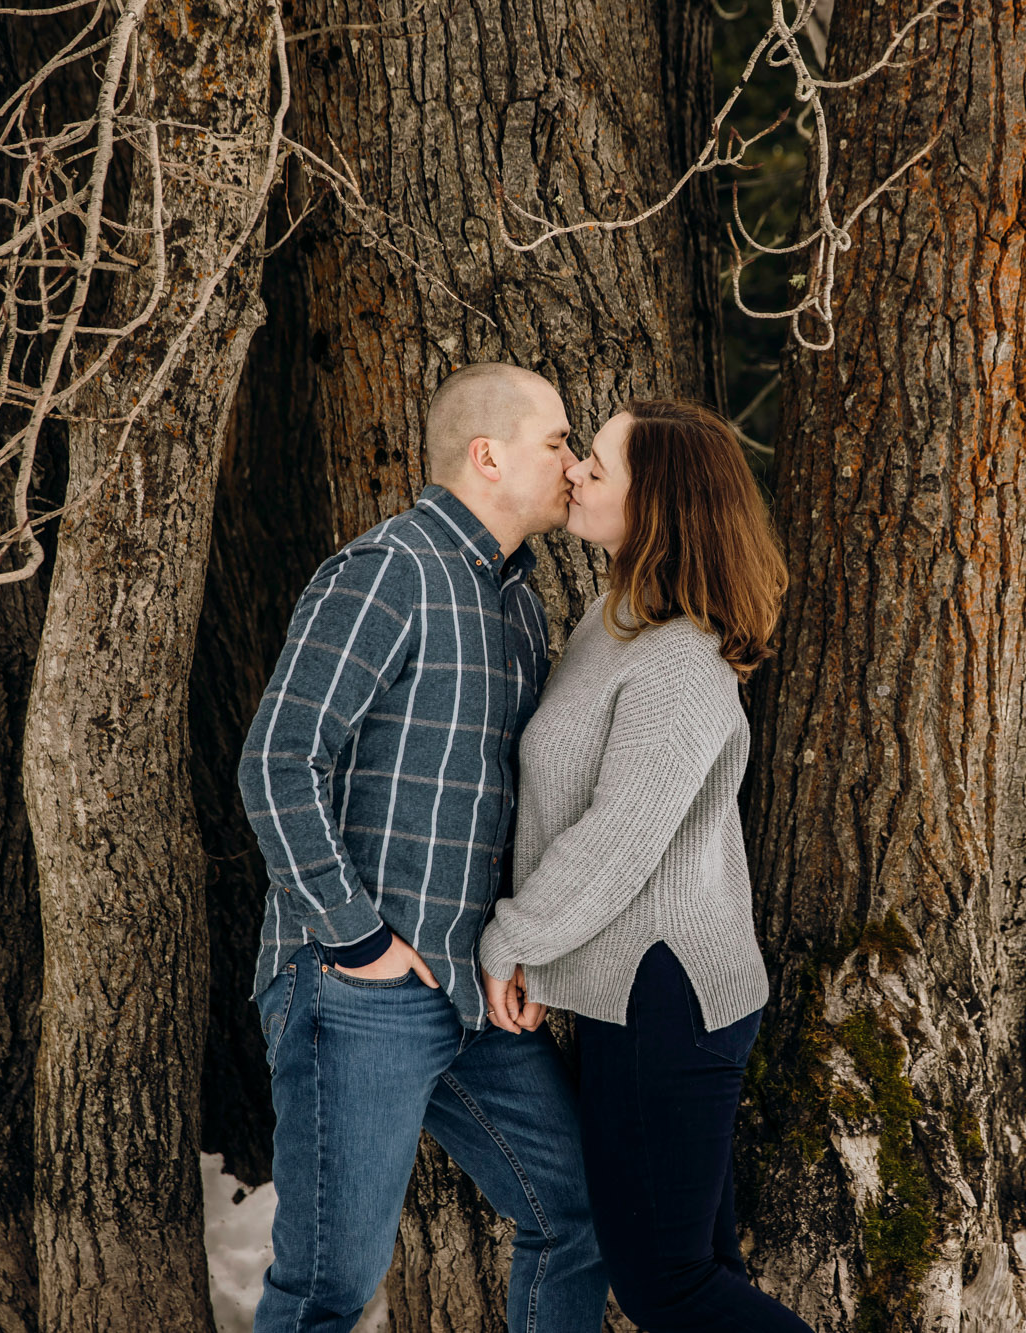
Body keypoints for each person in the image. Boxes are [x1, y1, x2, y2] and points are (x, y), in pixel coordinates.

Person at [239, 364, 605, 1333]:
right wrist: (358, 942)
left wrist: (507, 946)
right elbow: (278, 761)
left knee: (575, 1214)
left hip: (468, 996)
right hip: (360, 987)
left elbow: (503, 803)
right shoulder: (388, 570)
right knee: (326, 1286)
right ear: (486, 455)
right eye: (557, 440)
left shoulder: (518, 606)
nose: (575, 461)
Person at [476, 398, 813, 1332]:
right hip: (634, 990)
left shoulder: (678, 662)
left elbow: (619, 839)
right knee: (700, 1268)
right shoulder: (615, 620)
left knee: (668, 1284)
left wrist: (516, 940)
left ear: (656, 504)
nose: (578, 471)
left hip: (669, 1000)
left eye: (599, 463)